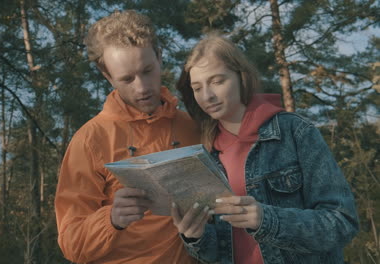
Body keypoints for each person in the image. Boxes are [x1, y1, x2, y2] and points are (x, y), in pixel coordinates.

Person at [172, 34, 359, 264]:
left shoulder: (294, 131)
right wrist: (196, 237)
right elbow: (218, 253)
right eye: (197, 87)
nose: (207, 96)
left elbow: (342, 222)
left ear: (242, 77)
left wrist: (266, 220)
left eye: (217, 81)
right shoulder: (206, 154)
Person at [55, 10, 200, 264]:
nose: (142, 87)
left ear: (159, 56)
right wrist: (111, 220)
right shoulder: (89, 140)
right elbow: (71, 243)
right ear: (107, 75)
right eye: (127, 79)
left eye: (147, 70)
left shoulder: (192, 127)